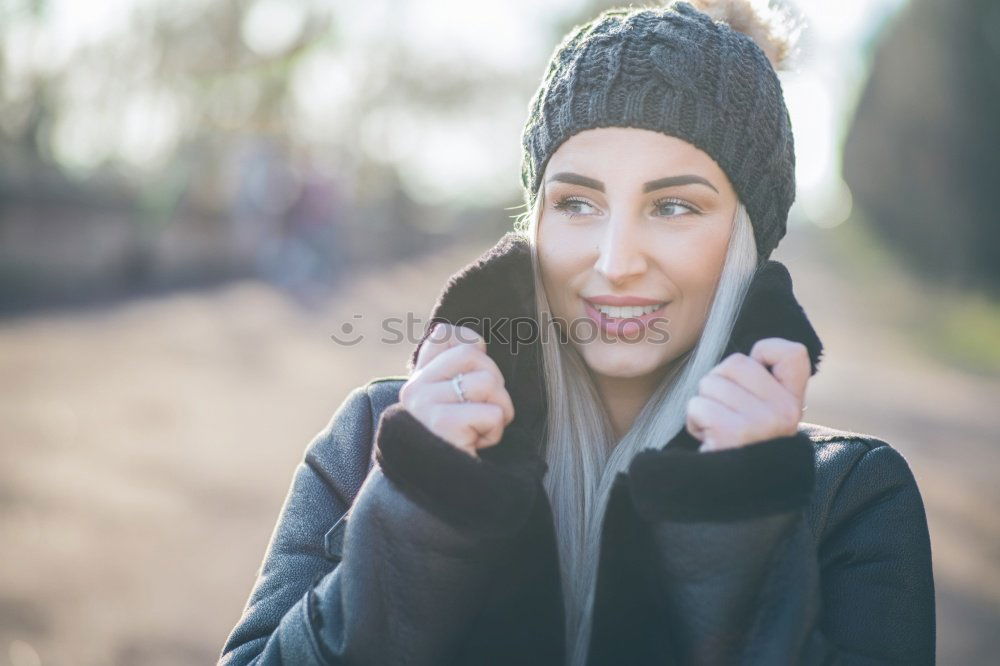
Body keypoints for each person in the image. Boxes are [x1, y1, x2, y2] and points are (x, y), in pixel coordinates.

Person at [218, 1, 936, 664]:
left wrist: (735, 521)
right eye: (577, 203)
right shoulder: (382, 435)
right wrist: (420, 509)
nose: (616, 262)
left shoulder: (850, 496)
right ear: (535, 223)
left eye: (675, 207)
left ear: (747, 238)